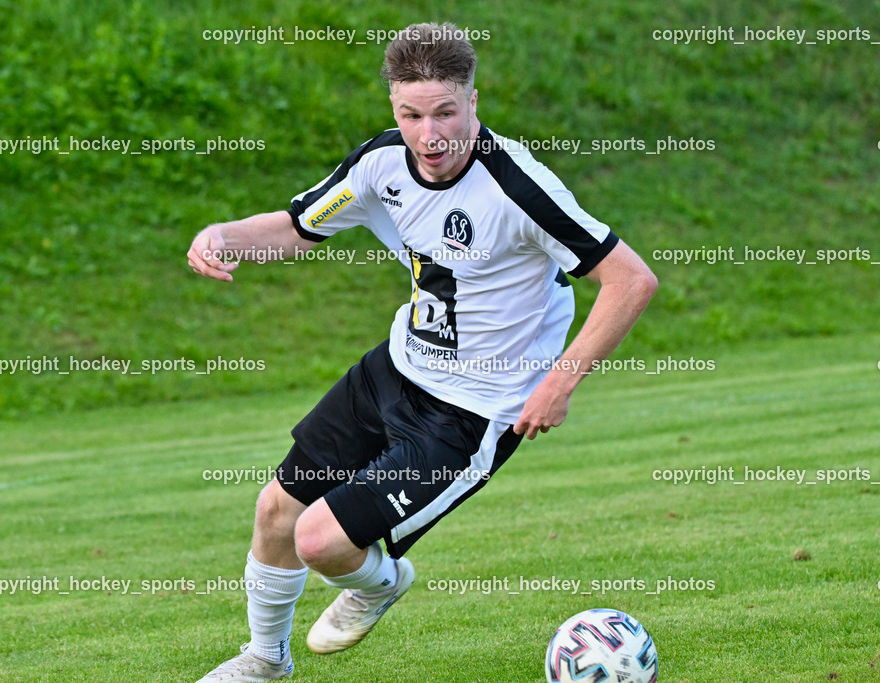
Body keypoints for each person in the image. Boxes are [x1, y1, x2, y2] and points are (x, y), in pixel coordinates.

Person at [187, 21, 658, 681]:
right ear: (394, 109)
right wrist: (224, 236)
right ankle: (264, 660)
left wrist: (560, 382)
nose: (429, 134)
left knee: (318, 540)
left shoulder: (517, 187)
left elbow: (630, 279)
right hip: (397, 369)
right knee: (275, 508)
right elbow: (299, 229)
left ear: (472, 101)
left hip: (473, 410)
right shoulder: (382, 164)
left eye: (444, 113)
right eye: (411, 114)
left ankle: (381, 583)